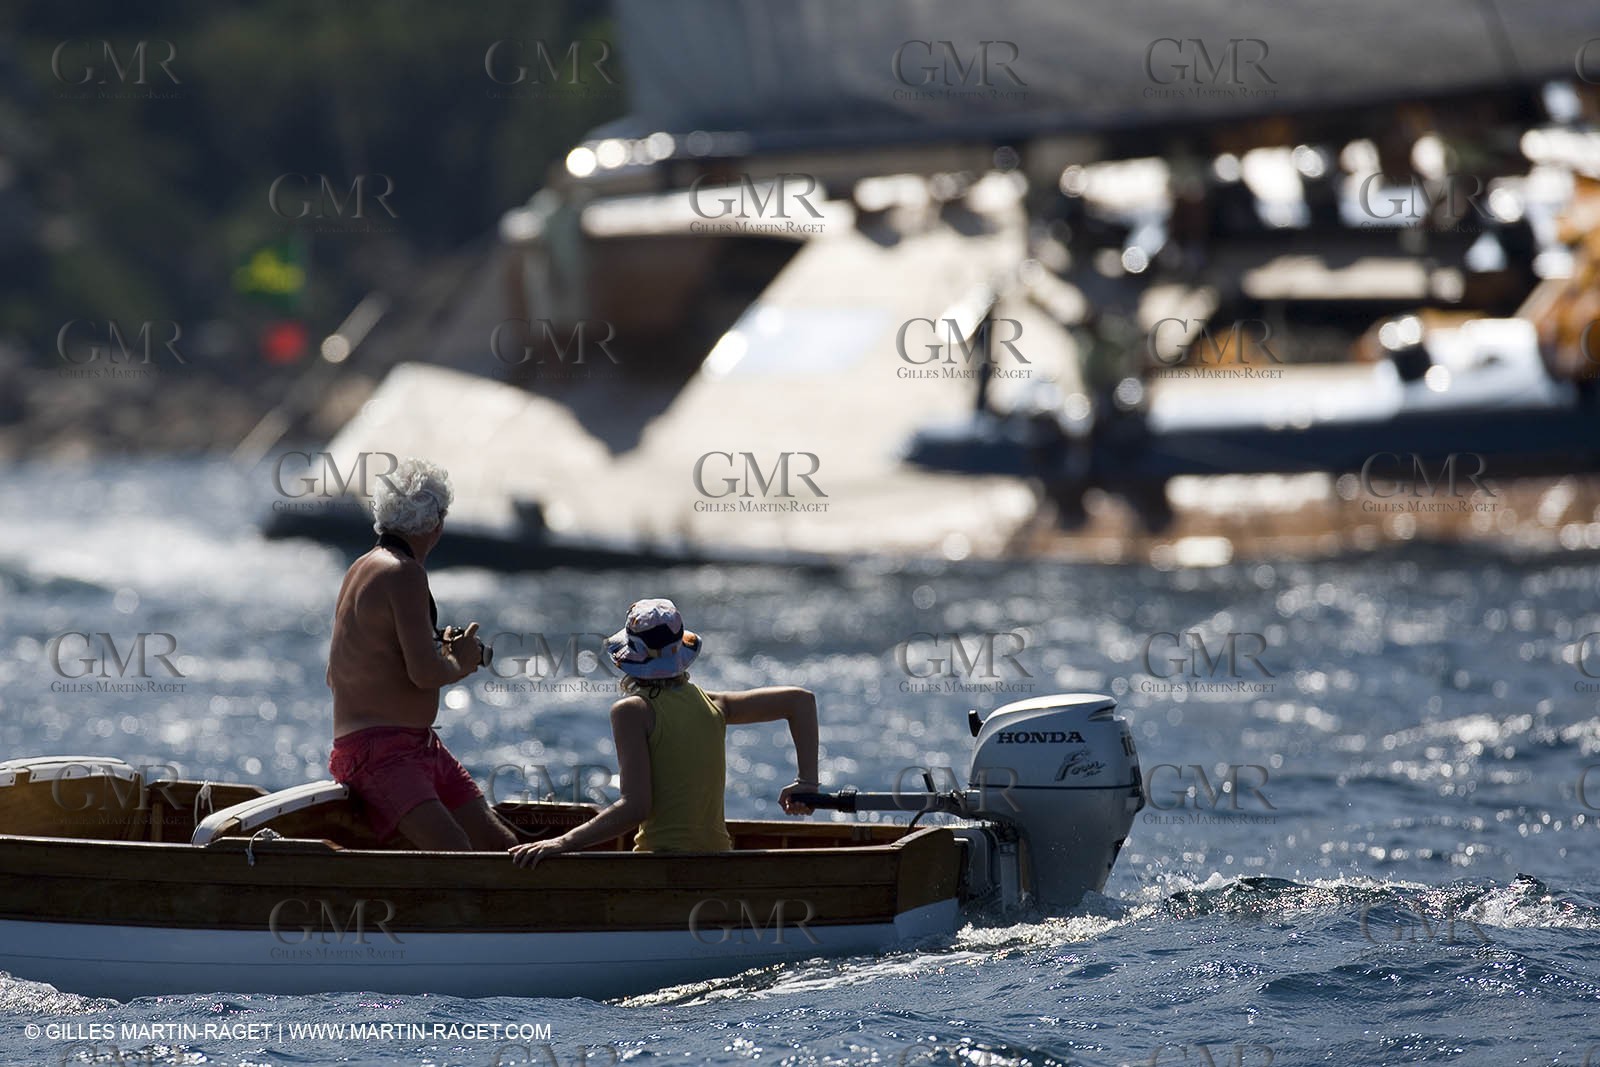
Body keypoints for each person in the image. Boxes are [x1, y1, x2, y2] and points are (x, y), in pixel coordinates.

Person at [509, 598, 818, 868]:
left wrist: (563, 842)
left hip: (662, 863)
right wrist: (807, 782)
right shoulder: (714, 704)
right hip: (719, 859)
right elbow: (800, 701)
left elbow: (636, 808)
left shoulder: (632, 711)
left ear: (630, 657)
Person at [326, 457, 517, 851]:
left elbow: (356, 664)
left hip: (415, 745)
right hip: (381, 755)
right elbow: (424, 675)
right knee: (458, 852)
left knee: (500, 845)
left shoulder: (361, 566)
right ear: (438, 523)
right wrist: (462, 662)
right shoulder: (405, 573)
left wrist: (439, 646)